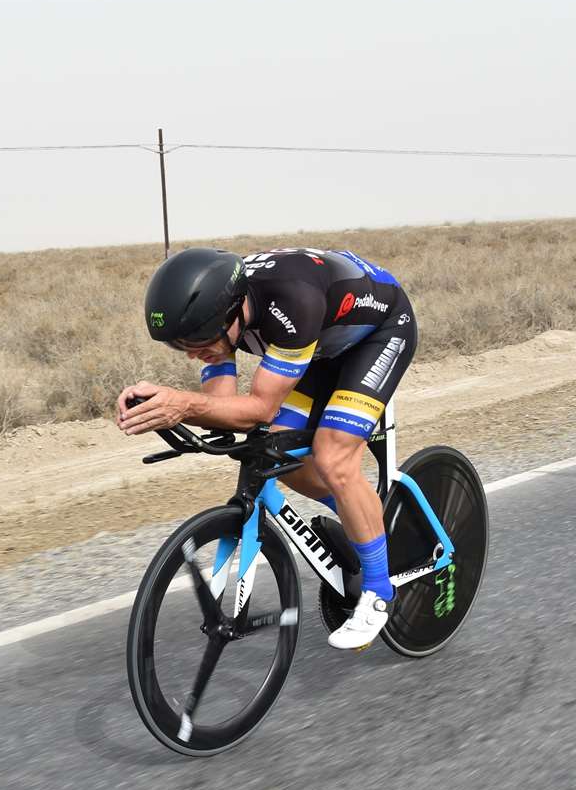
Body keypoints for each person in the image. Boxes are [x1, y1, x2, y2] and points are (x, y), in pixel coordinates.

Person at [117, 246, 417, 650]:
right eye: (178, 346)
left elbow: (259, 408)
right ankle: (362, 517)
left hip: (377, 333)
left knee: (333, 457)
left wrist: (182, 404)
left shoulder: (291, 300)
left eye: (197, 339)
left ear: (233, 314)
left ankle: (380, 593)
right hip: (320, 344)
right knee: (278, 455)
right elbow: (224, 408)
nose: (191, 352)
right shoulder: (223, 313)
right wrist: (164, 408)